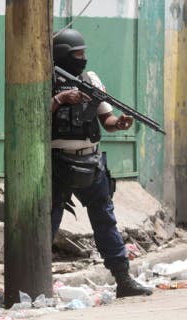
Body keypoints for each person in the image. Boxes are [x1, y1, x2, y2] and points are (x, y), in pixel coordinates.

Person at [50, 28, 152, 298]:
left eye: (84, 54)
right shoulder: (43, 79)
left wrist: (119, 123)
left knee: (105, 220)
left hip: (91, 162)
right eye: (77, 54)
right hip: (57, 163)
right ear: (62, 55)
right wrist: (60, 99)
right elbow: (32, 116)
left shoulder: (89, 79)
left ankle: (123, 279)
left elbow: (106, 121)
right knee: (47, 223)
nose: (83, 59)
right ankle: (36, 282)